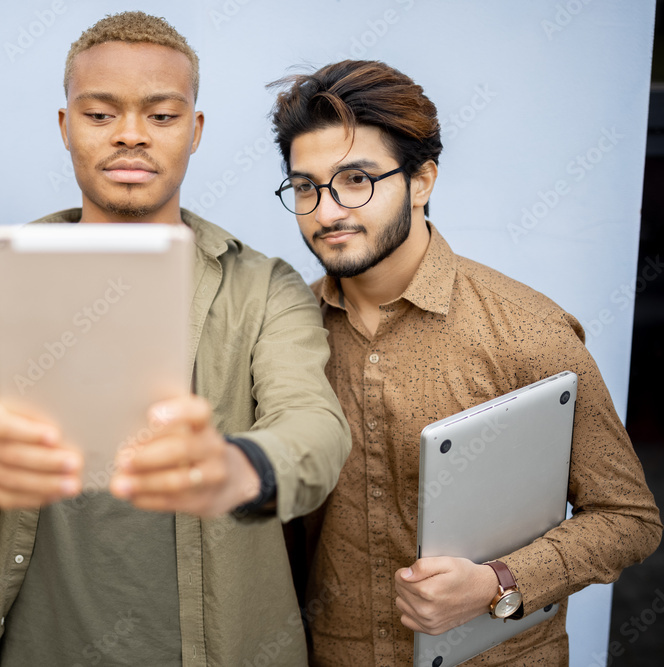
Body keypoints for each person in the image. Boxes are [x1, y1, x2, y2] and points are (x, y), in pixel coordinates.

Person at [0, 11, 351, 666]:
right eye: (101, 114)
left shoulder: (265, 287)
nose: (131, 136)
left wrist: (240, 465)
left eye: (161, 116)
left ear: (194, 131)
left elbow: (315, 424)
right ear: (65, 126)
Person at [269, 60, 663, 665]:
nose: (326, 212)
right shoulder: (285, 333)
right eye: (305, 187)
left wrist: (499, 584)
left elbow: (629, 518)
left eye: (356, 179)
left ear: (422, 180)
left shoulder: (528, 330)